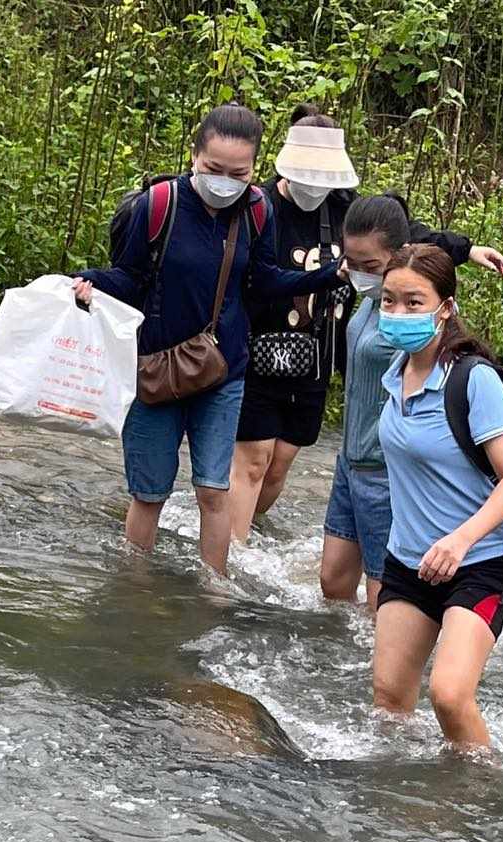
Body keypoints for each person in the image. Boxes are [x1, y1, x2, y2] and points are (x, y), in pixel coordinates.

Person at [72, 104, 344, 577]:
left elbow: (264, 281)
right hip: (155, 369)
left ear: (254, 169)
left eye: (237, 172)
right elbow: (131, 276)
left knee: (215, 490)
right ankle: (134, 585)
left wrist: (324, 278)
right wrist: (89, 283)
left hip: (222, 371)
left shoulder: (258, 211)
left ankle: (214, 588)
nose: (224, 180)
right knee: (149, 493)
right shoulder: (159, 205)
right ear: (194, 156)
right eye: (213, 168)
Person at [229, 117, 503, 548]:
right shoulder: (261, 207)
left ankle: (245, 526)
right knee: (253, 460)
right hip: (259, 349)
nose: (313, 186)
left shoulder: (342, 207)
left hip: (315, 353)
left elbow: (401, 237)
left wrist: (465, 249)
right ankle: (231, 550)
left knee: (279, 463)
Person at [370, 243, 503, 753]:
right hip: (408, 562)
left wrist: (460, 541)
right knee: (390, 701)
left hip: (477, 563)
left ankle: (484, 799)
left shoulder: (474, 380)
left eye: (413, 302)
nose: (398, 313)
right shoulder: (394, 374)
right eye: (389, 301)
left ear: (445, 307)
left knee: (448, 695)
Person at [321, 194, 503, 607]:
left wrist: (461, 252)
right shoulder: (373, 304)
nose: (358, 274)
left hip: (386, 472)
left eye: (369, 266)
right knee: (333, 584)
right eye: (352, 262)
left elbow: (426, 250)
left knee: (382, 597)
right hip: (349, 462)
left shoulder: (411, 324)